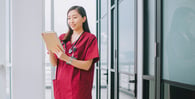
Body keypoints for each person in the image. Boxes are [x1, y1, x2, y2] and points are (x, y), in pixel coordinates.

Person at [48, 5, 99, 99]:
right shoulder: (62, 38)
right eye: (69, 18)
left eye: (75, 17)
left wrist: (66, 58)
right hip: (61, 85)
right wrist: (50, 50)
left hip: (78, 87)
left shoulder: (90, 38)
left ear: (84, 19)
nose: (71, 21)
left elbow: (87, 65)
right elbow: (54, 63)